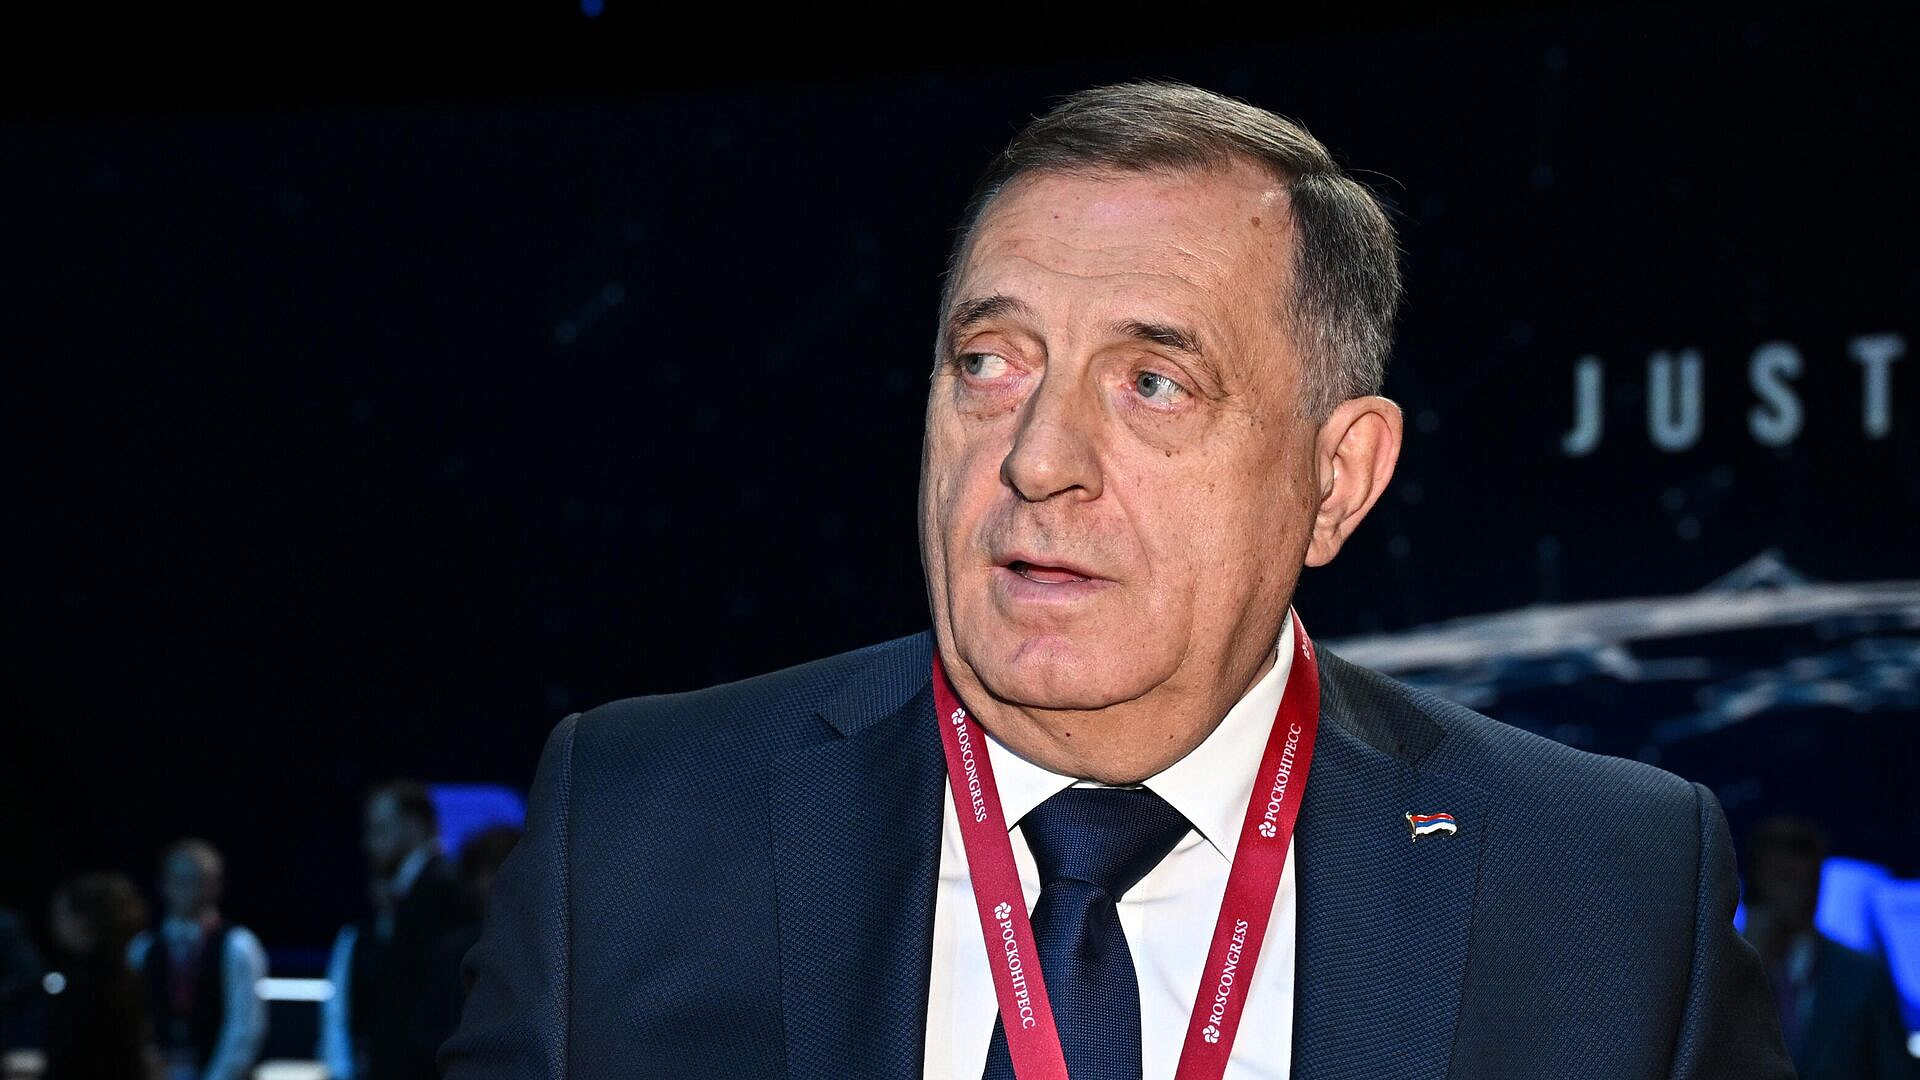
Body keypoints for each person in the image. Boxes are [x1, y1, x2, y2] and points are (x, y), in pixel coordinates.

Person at [444, 81, 1792, 1078]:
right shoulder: (639, 828)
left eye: (1152, 382)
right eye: (990, 364)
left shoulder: (1602, 892)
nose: (1037, 459)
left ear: (1337, 480)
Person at [1741, 815, 1916, 1079]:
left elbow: (1896, 1071)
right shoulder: (1730, 968)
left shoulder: (1863, 975)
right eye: (1786, 878)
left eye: (1810, 880)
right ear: (1756, 883)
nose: (1802, 893)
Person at [356, 781, 477, 1080]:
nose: (369, 843)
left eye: (380, 829)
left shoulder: (442, 887)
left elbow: (437, 997)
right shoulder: (399, 893)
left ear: (413, 825)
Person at [127, 840, 267, 1080]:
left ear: (217, 885)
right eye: (180, 880)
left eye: (200, 881)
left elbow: (244, 1028)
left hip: (216, 1070)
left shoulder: (238, 945)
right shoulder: (143, 947)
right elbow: (134, 1019)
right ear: (163, 884)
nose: (191, 890)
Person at [44, 872, 155, 1080]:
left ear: (83, 921)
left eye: (61, 914)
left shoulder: (84, 987)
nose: (55, 923)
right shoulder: (130, 977)